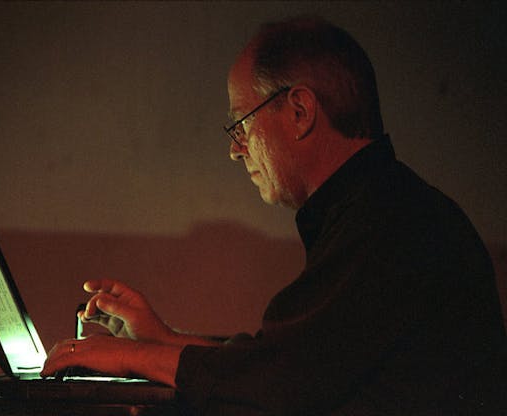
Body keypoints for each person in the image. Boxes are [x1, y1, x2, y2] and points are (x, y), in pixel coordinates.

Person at [41, 16, 506, 415]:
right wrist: (159, 339)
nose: (234, 149)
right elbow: (284, 359)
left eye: (241, 123)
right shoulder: (385, 206)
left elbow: (277, 380)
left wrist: (124, 358)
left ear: (300, 110)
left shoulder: (390, 224)